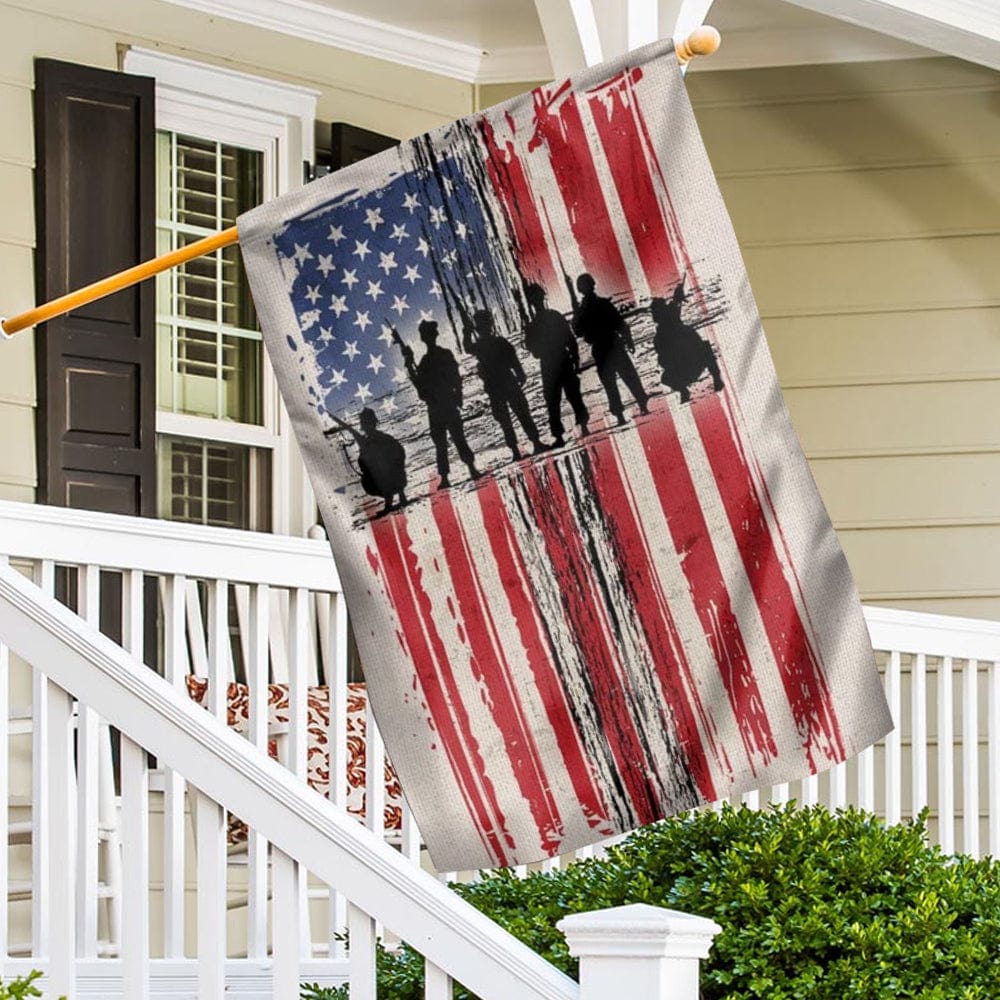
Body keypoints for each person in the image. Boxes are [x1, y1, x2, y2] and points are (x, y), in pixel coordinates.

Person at [395, 319, 481, 489]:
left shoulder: (439, 357)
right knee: (442, 443)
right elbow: (422, 388)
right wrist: (409, 363)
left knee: (456, 439)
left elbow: (455, 377)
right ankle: (448, 476)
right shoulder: (427, 361)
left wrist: (458, 394)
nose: (428, 337)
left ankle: (469, 469)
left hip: (445, 403)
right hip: (437, 406)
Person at [463, 308, 546, 461]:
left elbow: (468, 347)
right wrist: (520, 374)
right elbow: (513, 359)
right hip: (505, 382)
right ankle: (532, 444)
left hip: (497, 385)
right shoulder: (497, 342)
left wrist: (467, 332)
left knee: (509, 418)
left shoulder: (484, 345)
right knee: (518, 414)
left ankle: (520, 449)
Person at [572, 273, 649, 425]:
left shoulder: (586, 309)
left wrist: (578, 313)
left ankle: (622, 413)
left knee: (612, 383)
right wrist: (628, 340)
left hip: (604, 347)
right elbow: (620, 323)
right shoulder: (601, 304)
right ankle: (640, 404)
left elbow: (578, 331)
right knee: (626, 378)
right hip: (611, 345)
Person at [523, 283, 589, 447]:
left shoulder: (533, 325)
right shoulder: (554, 316)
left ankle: (559, 436)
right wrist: (575, 359)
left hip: (549, 364)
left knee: (554, 401)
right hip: (562, 360)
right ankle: (583, 426)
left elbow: (535, 352)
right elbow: (570, 340)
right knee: (572, 396)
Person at [324, 408, 407, 516]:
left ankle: (390, 505)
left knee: (382, 476)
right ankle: (401, 497)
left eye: (365, 423)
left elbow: (398, 453)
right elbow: (351, 430)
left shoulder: (377, 439)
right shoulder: (374, 439)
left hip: (390, 476)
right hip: (395, 476)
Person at [651, 284, 724, 404]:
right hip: (690, 366)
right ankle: (714, 378)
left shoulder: (660, 336)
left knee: (704, 347)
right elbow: (676, 303)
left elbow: (676, 302)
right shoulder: (670, 326)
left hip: (687, 368)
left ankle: (710, 380)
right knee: (705, 347)